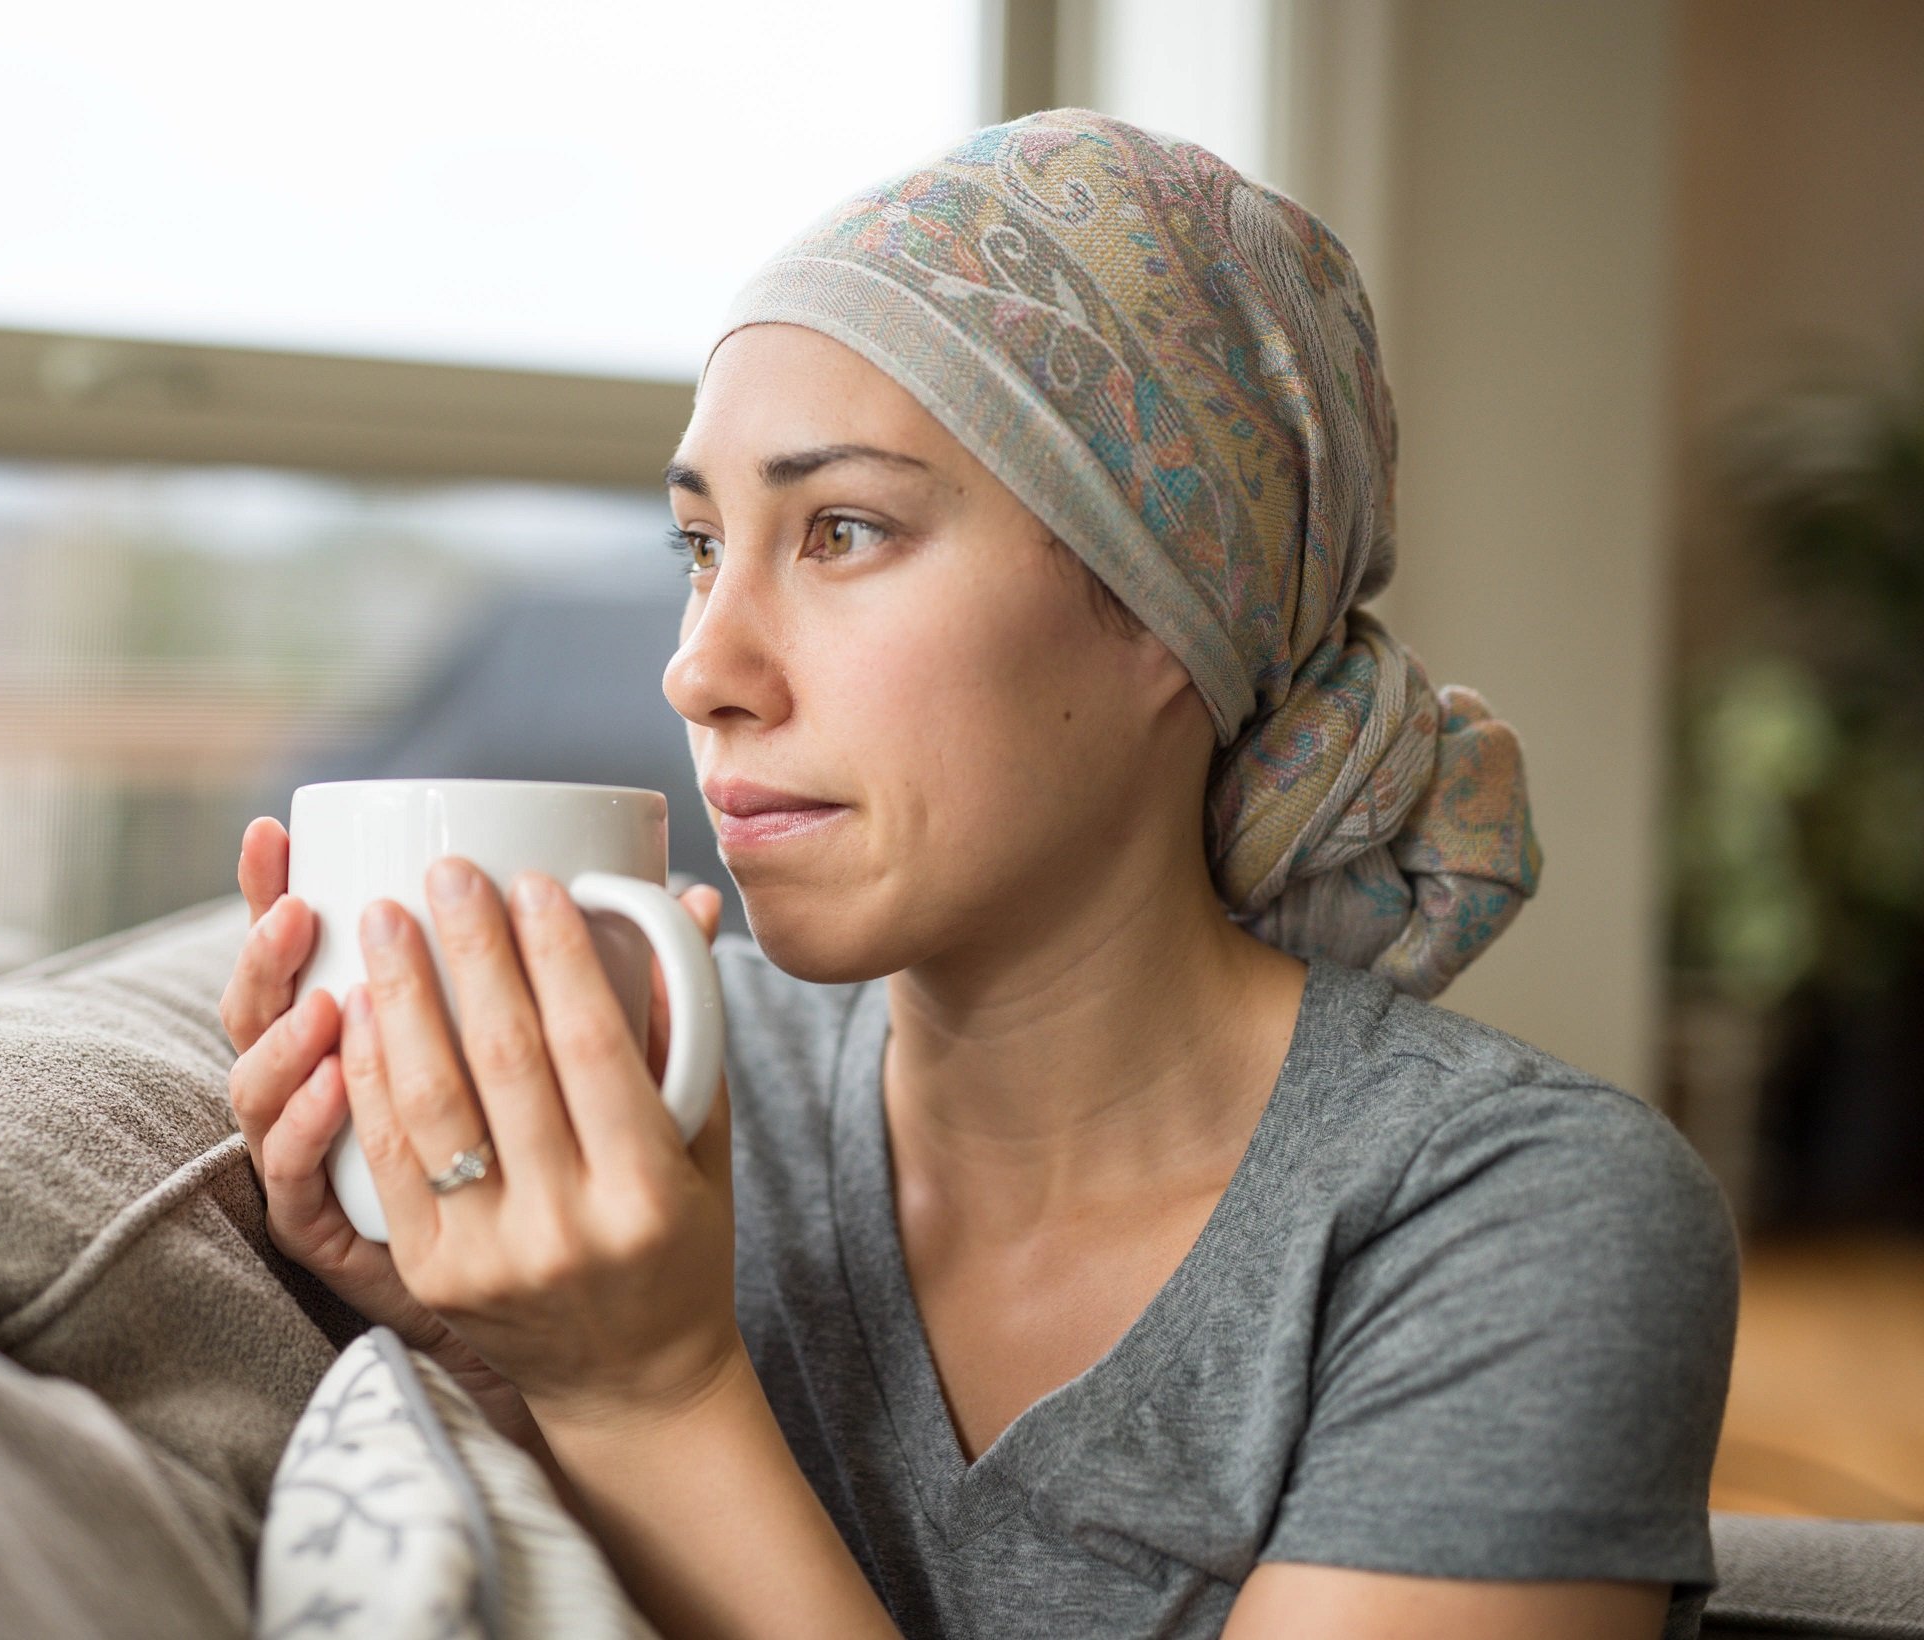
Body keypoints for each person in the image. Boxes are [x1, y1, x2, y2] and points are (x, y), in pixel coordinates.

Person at [219, 110, 1738, 1640]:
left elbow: (660, 1410)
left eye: (844, 530)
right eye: (700, 545)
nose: (700, 671)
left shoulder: (1511, 1220)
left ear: (1163, 601)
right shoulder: (647, 1126)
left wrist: (651, 1398)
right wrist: (501, 1355)